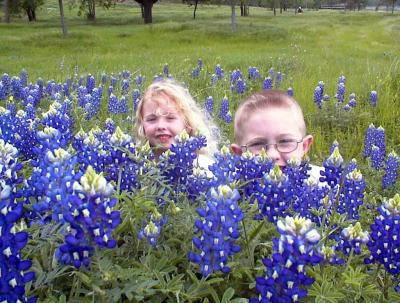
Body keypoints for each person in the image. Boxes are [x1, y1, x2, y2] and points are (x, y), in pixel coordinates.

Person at [231, 89, 321, 180]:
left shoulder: (320, 183)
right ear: (239, 154)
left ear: (304, 146)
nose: (272, 155)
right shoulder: (231, 186)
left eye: (285, 141)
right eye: (257, 144)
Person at [134, 78, 218, 169]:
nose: (161, 126)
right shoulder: (138, 168)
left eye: (170, 118)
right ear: (142, 126)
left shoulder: (202, 165)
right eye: (152, 119)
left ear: (187, 125)